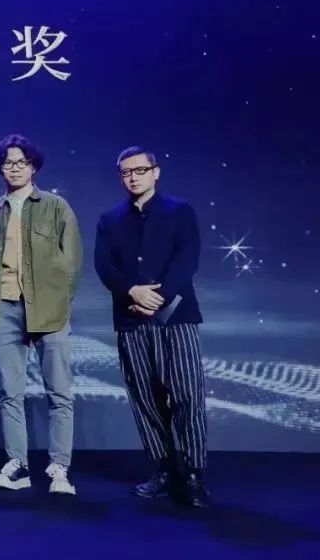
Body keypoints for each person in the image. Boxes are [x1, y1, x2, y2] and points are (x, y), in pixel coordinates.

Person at [94, 146, 210, 507]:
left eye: (140, 170)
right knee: (145, 397)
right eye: (126, 172)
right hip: (130, 318)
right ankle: (162, 469)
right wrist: (132, 291)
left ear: (155, 172)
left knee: (187, 395)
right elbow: (104, 266)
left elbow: (188, 259)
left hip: (176, 317)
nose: (133, 177)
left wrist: (158, 297)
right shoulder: (110, 219)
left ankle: (193, 475)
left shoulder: (179, 211)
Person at [0, 134, 82, 496]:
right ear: (0, 168)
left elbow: (72, 263)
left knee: (59, 392)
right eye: (8, 163)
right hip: (7, 307)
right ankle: (18, 465)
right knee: (10, 392)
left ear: (34, 167)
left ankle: (60, 467)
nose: (14, 168)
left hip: (50, 311)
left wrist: (59, 303)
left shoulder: (56, 206)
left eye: (21, 162)